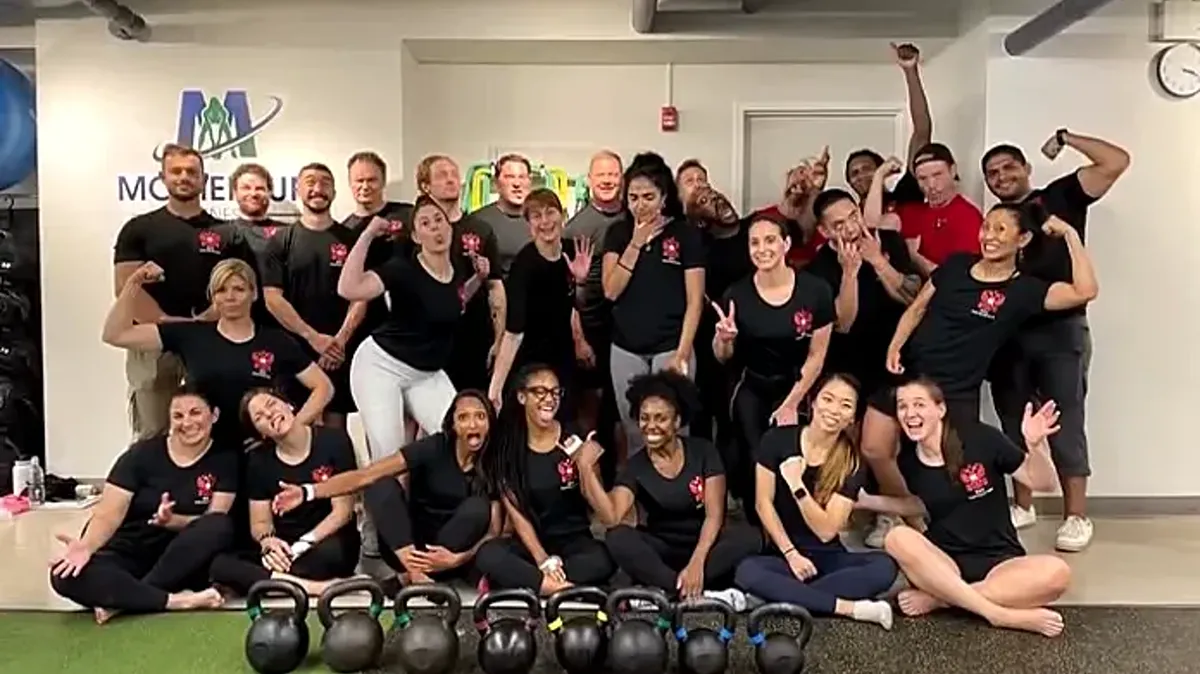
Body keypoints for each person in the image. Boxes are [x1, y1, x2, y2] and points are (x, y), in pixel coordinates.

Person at [862, 205, 1099, 546]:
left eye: (1001, 230)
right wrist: (895, 346)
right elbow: (918, 307)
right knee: (874, 447)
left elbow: (1084, 291)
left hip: (955, 387)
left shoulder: (1024, 290)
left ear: (1024, 239)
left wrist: (1071, 236)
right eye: (986, 227)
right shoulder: (956, 265)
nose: (989, 236)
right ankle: (914, 522)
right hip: (909, 373)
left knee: (954, 468)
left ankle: (956, 536)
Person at [981, 132, 1129, 551]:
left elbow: (1116, 161)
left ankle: (1076, 517)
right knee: (1015, 423)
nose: (1001, 176)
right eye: (992, 173)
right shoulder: (996, 223)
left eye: (1009, 167)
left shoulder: (1059, 197)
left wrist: (1065, 138)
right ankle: (1022, 506)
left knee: (1065, 420)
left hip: (1061, 329)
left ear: (1026, 168)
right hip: (1010, 335)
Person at [872, 378, 1072, 638]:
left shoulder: (981, 438)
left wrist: (1034, 446)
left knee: (1058, 573)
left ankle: (943, 600)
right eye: (902, 406)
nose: (910, 413)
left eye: (919, 404)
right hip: (942, 563)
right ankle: (1000, 615)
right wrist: (867, 501)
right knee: (897, 537)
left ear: (940, 409)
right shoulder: (908, 460)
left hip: (999, 562)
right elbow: (925, 503)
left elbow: (1043, 483)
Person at [273, 390, 499, 587]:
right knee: (379, 483)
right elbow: (366, 475)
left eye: (480, 417)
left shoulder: (496, 462)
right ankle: (415, 573)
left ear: (490, 423)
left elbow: (495, 531)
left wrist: (457, 559)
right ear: (453, 425)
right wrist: (308, 492)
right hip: (407, 547)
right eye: (463, 417)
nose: (472, 424)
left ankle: (415, 578)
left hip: (451, 556)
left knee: (479, 507)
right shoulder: (435, 447)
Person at [101, 258, 333, 449]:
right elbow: (115, 334)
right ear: (213, 297)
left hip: (257, 451)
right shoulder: (190, 335)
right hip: (204, 450)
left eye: (239, 289)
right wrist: (134, 282)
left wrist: (288, 430)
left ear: (253, 294)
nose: (230, 297)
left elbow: (324, 387)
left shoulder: (276, 341)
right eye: (221, 290)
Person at [49, 387, 235, 624]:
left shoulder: (225, 459)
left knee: (220, 526)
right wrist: (86, 547)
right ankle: (177, 601)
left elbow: (215, 516)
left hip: (180, 557)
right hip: (130, 551)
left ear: (214, 415)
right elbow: (108, 514)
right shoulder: (141, 455)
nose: (186, 422)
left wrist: (172, 521)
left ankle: (130, 599)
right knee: (63, 576)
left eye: (195, 413)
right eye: (178, 416)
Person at [574, 371, 761, 606]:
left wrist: (696, 564)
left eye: (660, 418)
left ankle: (665, 593)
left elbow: (714, 516)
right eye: (645, 418)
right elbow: (612, 517)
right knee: (618, 537)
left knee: (750, 537)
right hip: (662, 548)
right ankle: (686, 591)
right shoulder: (636, 465)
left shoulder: (703, 451)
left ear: (677, 422)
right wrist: (587, 470)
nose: (650, 426)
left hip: (706, 545)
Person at [112, 144, 260, 440]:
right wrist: (167, 322)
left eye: (192, 172)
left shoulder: (228, 233)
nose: (184, 177)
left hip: (211, 339)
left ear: (204, 180)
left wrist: (213, 314)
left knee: (214, 426)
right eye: (176, 171)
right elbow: (126, 287)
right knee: (154, 430)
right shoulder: (138, 229)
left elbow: (243, 283)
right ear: (162, 178)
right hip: (154, 342)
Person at [735, 374, 897, 628]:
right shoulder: (777, 440)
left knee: (884, 567)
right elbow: (762, 503)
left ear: (853, 417)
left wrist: (797, 485)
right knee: (747, 570)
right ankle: (849, 608)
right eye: (828, 399)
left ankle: (767, 598)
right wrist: (791, 554)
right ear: (812, 402)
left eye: (845, 405)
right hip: (782, 553)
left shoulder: (851, 463)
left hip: (828, 556)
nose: (834, 410)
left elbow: (825, 531)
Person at [339, 195, 490, 459]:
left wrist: (479, 278)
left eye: (439, 220)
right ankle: (387, 497)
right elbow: (348, 288)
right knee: (390, 455)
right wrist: (368, 234)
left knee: (462, 438)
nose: (435, 228)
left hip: (427, 372)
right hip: (381, 366)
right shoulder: (402, 270)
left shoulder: (458, 268)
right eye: (425, 223)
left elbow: (454, 300)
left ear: (450, 227)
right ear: (417, 237)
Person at [715, 214, 834, 518]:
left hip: (798, 383)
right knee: (757, 455)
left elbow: (817, 355)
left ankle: (797, 521)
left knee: (795, 456)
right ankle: (761, 527)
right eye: (754, 242)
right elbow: (723, 357)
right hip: (752, 382)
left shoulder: (815, 290)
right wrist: (724, 338)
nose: (762, 249)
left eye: (770, 240)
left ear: (786, 244)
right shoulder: (736, 294)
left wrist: (792, 402)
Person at [475, 364, 615, 595]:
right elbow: (517, 513)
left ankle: (533, 584)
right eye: (539, 392)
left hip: (573, 541)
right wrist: (542, 560)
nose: (549, 399)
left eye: (554, 392)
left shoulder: (574, 436)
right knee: (489, 554)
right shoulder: (508, 446)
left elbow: (596, 505)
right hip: (530, 545)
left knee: (604, 558)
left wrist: (587, 467)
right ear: (522, 396)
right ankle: (559, 587)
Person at [209, 389, 360, 596]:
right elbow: (260, 522)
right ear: (260, 432)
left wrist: (304, 544)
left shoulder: (334, 440)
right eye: (259, 417)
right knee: (220, 564)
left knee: (329, 554)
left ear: (289, 405)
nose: (269, 414)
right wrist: (268, 542)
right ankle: (311, 588)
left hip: (326, 539)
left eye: (271, 405)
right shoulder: (258, 461)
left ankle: (270, 583)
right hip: (284, 546)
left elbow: (342, 512)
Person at [602, 153, 705, 451]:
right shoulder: (619, 233)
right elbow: (610, 290)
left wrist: (682, 355)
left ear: (664, 197)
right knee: (636, 432)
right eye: (633, 197)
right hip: (625, 347)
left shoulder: (684, 234)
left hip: (672, 346)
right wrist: (636, 242)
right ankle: (638, 495)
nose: (640, 204)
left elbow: (694, 300)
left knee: (674, 430)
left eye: (648, 196)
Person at [262, 163, 367, 428]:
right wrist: (312, 337)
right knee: (292, 426)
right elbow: (272, 298)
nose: (317, 188)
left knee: (335, 430)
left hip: (339, 351)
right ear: (298, 189)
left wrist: (338, 343)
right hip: (294, 351)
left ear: (334, 190)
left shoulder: (353, 239)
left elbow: (362, 296)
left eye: (325, 182)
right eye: (310, 182)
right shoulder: (280, 241)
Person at [489, 189, 593, 419]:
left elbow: (576, 303)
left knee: (566, 422)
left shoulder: (571, 252)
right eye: (536, 216)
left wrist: (581, 281)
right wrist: (495, 388)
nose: (545, 221)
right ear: (529, 224)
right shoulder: (524, 266)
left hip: (563, 356)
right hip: (531, 361)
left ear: (562, 216)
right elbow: (514, 332)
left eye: (550, 212)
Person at [417, 154, 506, 393]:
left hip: (474, 340)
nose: (451, 180)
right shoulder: (415, 233)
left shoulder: (480, 229)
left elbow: (496, 288)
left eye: (454, 174)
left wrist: (499, 341)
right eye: (442, 175)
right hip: (430, 342)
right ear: (425, 186)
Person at [563, 150, 626, 485]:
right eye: (600, 175)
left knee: (621, 412)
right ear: (589, 180)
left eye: (613, 174)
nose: (607, 181)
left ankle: (622, 484)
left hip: (625, 330)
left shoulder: (633, 220)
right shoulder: (577, 227)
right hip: (590, 329)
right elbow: (570, 290)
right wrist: (578, 338)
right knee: (590, 410)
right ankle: (591, 484)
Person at [845, 42, 930, 221]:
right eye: (854, 173)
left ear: (881, 170)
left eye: (867, 169)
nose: (861, 176)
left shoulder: (904, 194)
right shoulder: (847, 214)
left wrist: (910, 71)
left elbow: (922, 131)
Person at [888, 142, 983, 277]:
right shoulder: (911, 212)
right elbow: (870, 226)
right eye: (922, 178)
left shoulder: (968, 217)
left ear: (953, 170)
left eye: (937, 175)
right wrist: (880, 175)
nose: (931, 185)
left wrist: (915, 257)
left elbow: (957, 279)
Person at [746, 149, 830, 267]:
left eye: (809, 178)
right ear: (788, 176)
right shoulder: (760, 219)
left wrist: (816, 190)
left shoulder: (822, 228)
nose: (803, 180)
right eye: (801, 172)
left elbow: (803, 240)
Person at [471, 154, 533, 277]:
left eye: (522, 177)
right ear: (496, 183)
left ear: (529, 181)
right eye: (510, 177)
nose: (517, 184)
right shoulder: (479, 222)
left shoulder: (544, 222)